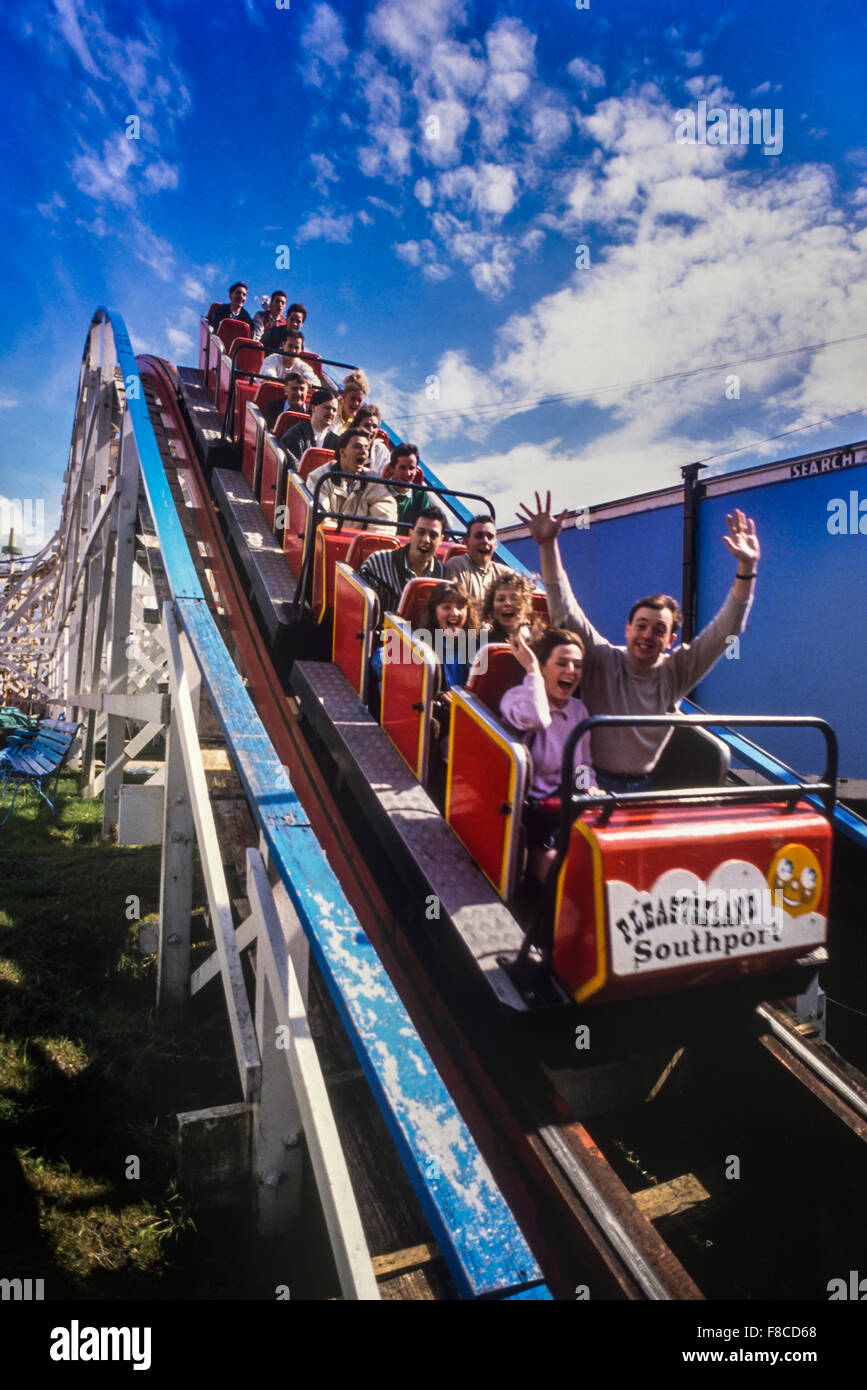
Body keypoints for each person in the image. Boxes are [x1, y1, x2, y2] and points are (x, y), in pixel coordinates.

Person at [517, 491, 761, 790]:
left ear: (670, 640)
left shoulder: (676, 671)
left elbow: (726, 631)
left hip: (643, 786)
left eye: (658, 630)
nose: (647, 635)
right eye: (641, 626)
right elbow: (564, 607)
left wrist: (746, 568)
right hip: (590, 781)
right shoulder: (601, 657)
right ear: (627, 629)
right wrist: (547, 545)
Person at [500, 628, 600, 882]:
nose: (571, 671)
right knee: (564, 873)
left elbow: (583, 765)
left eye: (577, 665)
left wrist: (588, 788)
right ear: (544, 667)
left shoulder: (579, 711)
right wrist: (531, 670)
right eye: (562, 663)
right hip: (527, 814)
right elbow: (538, 718)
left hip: (565, 808)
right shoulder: (516, 699)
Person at [358, 506, 447, 618]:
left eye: (433, 536)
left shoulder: (443, 575)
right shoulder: (377, 562)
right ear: (411, 533)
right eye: (421, 532)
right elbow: (361, 608)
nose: (426, 540)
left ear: (441, 540)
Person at [306, 429, 397, 534]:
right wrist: (341, 538)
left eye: (366, 448)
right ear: (342, 452)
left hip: (357, 542)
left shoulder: (373, 481)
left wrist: (372, 541)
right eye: (357, 447)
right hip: (322, 540)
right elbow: (321, 519)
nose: (364, 452)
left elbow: (385, 514)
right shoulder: (320, 477)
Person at [444, 515, 511, 602]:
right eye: (479, 536)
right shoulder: (457, 565)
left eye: (490, 537)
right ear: (466, 541)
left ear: (495, 544)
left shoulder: (505, 574)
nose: (485, 541)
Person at [279, 388, 341, 467]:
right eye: (327, 408)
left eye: (334, 410)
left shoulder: (336, 441)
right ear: (313, 407)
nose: (331, 413)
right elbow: (294, 468)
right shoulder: (295, 435)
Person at [382, 445, 436, 529]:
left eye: (411, 468)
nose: (407, 473)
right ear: (392, 468)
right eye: (402, 468)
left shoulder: (420, 494)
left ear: (416, 470)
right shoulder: (379, 489)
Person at [481, 570, 541, 644]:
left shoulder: (540, 638)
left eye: (515, 599)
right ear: (491, 607)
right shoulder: (477, 641)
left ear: (526, 605)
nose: (507, 603)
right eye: (501, 599)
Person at [349, 405, 390, 473]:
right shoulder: (346, 446)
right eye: (366, 425)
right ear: (356, 426)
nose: (371, 430)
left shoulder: (381, 451)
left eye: (374, 426)